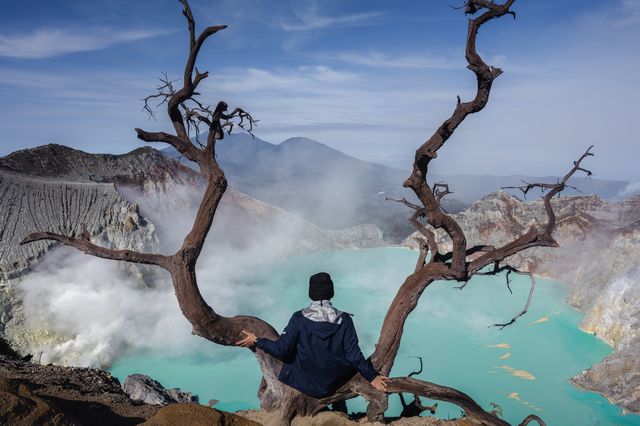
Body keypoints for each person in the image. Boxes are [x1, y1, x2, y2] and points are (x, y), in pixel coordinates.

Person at [236, 272, 389, 398]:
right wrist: (373, 377)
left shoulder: (299, 318)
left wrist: (256, 340)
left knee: (291, 352)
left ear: (311, 293)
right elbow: (353, 355)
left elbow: (281, 349)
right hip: (336, 380)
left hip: (307, 381)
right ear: (331, 292)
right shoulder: (344, 319)